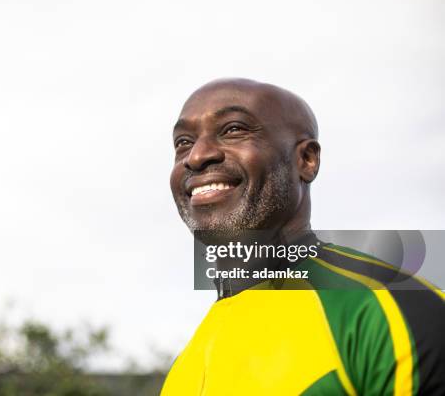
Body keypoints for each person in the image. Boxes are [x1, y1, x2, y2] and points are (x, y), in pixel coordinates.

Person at [161, 78, 444, 395]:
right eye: (183, 142)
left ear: (306, 160)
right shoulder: (181, 372)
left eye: (233, 129)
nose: (196, 156)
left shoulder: (387, 309)